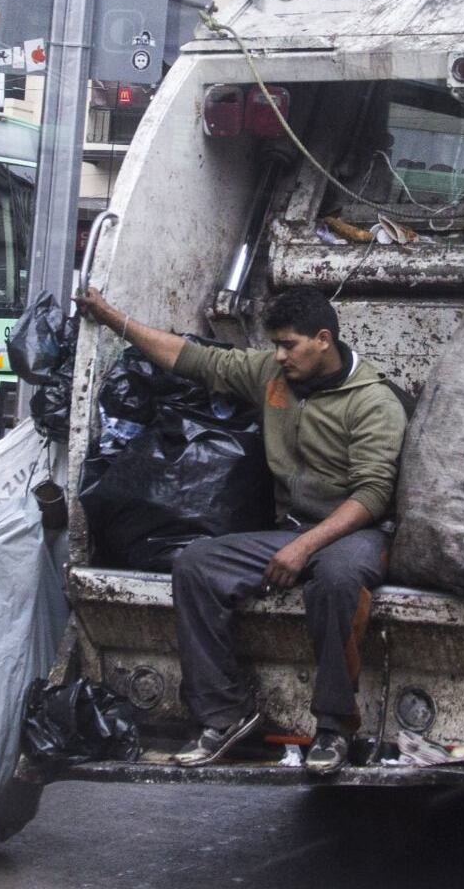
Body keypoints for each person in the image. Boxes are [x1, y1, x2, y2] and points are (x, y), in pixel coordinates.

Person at [73, 285, 407, 776]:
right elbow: (193, 360)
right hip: (293, 530)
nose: (279, 355)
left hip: (358, 532)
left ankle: (334, 727)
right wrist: (109, 316)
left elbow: (373, 496)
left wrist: (304, 546)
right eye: (275, 345)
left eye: (289, 345)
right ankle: (224, 716)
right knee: (196, 565)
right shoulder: (274, 375)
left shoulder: (373, 402)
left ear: (322, 340)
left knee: (334, 582)